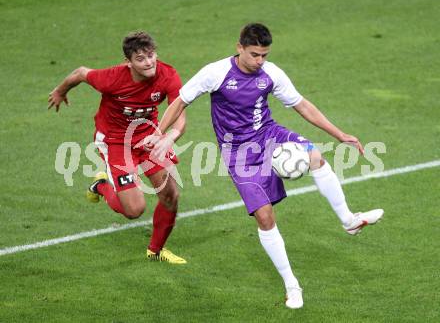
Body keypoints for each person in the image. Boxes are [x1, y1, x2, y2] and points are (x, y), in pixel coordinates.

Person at [144, 23, 384, 307]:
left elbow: (302, 105)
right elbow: (181, 101)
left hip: (270, 134)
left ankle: (349, 220)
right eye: (255, 54)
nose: (260, 61)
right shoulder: (215, 73)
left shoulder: (271, 74)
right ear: (239, 48)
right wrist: (159, 133)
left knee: (315, 156)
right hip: (238, 153)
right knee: (265, 217)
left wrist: (340, 134)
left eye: (264, 55)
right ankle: (292, 286)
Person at [48, 31, 187, 264]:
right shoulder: (111, 78)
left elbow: (179, 113)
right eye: (141, 59)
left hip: (148, 137)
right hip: (116, 142)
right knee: (134, 210)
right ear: (128, 62)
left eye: (151, 55)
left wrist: (168, 137)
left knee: (170, 194)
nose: (149, 62)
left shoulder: (168, 74)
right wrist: (61, 91)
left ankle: (155, 251)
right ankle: (101, 185)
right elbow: (81, 73)